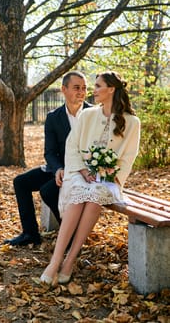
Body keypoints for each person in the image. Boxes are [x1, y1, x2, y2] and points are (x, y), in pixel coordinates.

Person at [40, 70, 140, 284]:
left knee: (95, 198)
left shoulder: (132, 122)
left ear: (111, 89)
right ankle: (55, 261)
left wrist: (111, 175)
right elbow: (72, 146)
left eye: (97, 86)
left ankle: (70, 260)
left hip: (109, 179)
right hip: (80, 172)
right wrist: (83, 171)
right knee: (78, 195)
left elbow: (129, 157)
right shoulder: (87, 115)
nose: (91, 91)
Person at [4, 71, 92, 246]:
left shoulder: (93, 114)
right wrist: (58, 169)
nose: (81, 92)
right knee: (20, 182)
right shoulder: (53, 117)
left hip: (83, 171)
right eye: (76, 88)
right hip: (60, 168)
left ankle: (70, 234)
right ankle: (30, 233)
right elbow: (50, 152)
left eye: (84, 88)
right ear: (63, 89)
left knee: (48, 190)